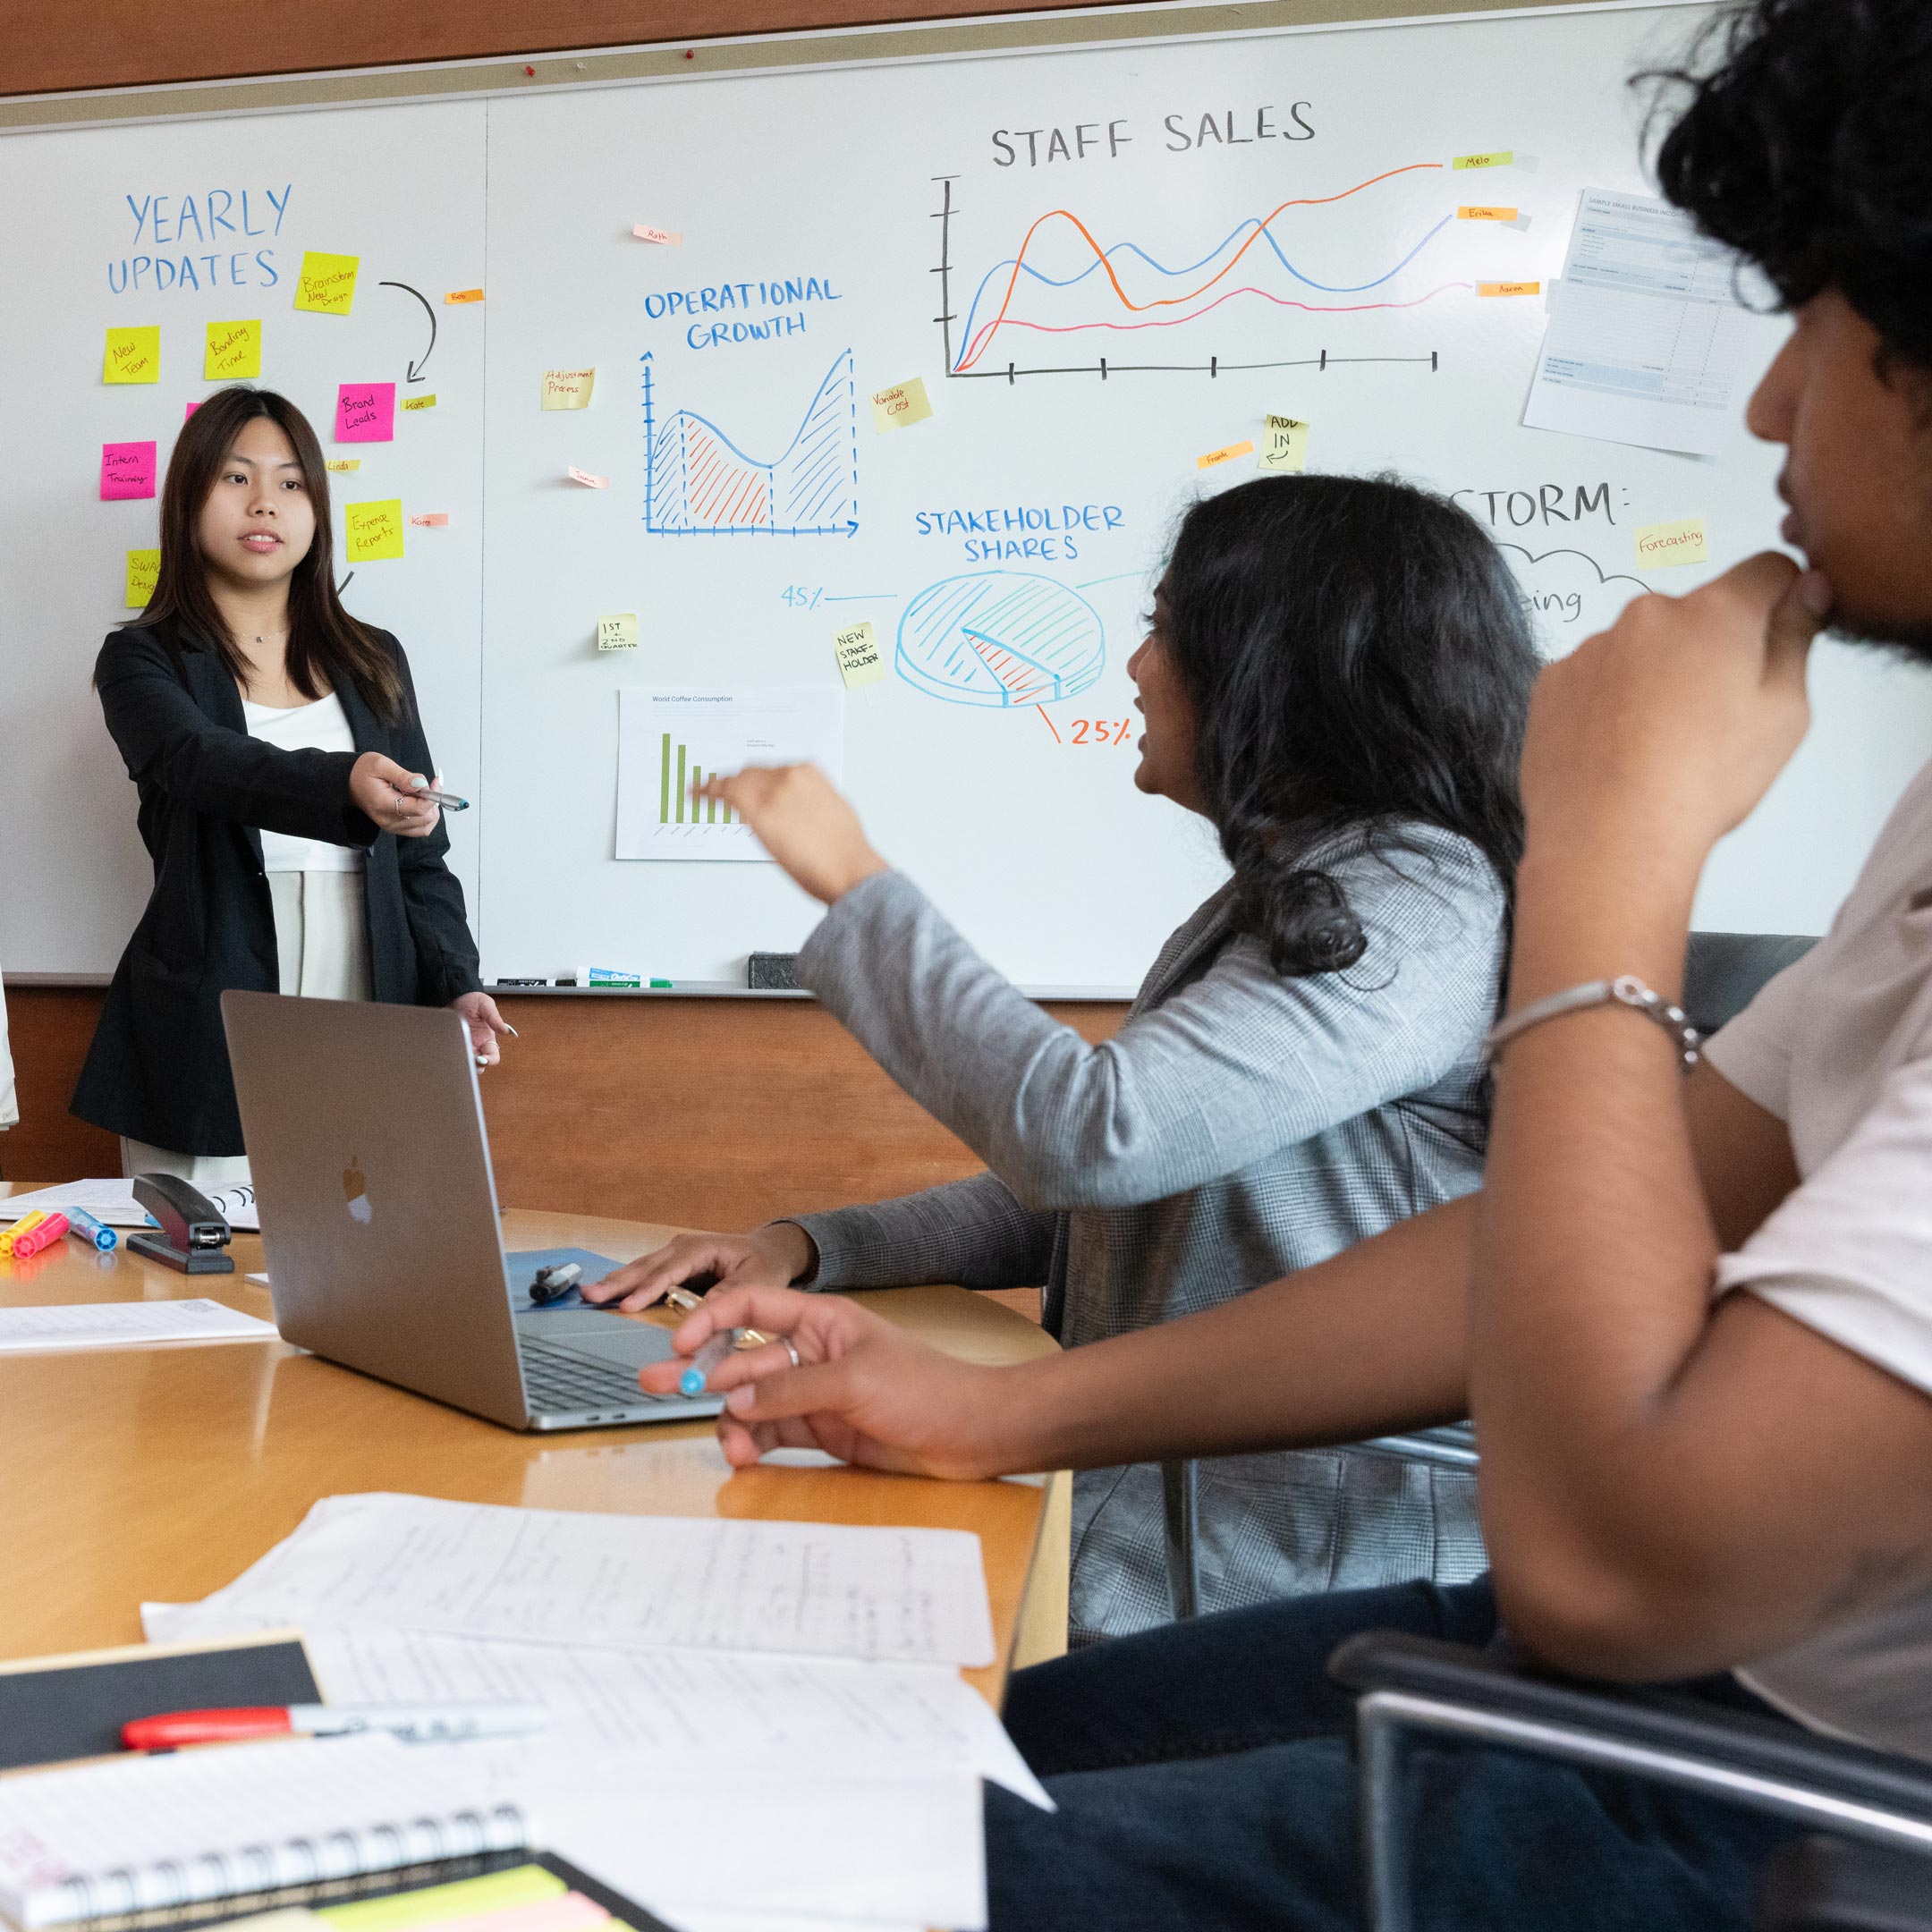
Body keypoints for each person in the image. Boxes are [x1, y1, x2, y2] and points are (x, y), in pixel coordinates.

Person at [634, 0, 1932, 1922]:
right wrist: (990, 1396)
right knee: (876, 1745)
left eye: (1812, 312)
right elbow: (1511, 1245)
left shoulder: (1425, 895)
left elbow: (1619, 1566)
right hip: (1585, 1660)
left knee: (771, 1864)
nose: (1762, 407)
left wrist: (1604, 856)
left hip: (1743, 1784)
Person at [590, 473, 1538, 1642]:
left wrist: (852, 877)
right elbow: (1123, 1205)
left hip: (1290, 1623)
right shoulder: (1294, 894)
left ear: (1275, 663)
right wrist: (806, 1248)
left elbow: (1094, 1136)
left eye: (1160, 626)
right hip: (1152, 1564)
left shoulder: (1417, 898)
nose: (1137, 666)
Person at [72, 386, 510, 1183]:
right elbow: (201, 763)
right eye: (235, 478)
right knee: (197, 1277)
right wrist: (345, 783)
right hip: (213, 988)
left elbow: (422, 858)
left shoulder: (373, 657)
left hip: (372, 979)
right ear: (188, 501)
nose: (264, 502)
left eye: (290, 481)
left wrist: (456, 981)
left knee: (357, 1253)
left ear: (317, 511)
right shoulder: (142, 659)